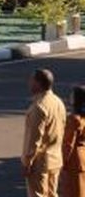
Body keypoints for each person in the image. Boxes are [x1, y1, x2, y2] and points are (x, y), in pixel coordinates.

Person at [25, 68, 67, 197]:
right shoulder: (58, 102)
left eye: (31, 80)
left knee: (38, 195)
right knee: (52, 194)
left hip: (40, 162)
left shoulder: (39, 107)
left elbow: (34, 139)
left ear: (38, 83)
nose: (29, 83)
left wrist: (27, 161)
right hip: (55, 158)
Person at [64, 85, 85, 197]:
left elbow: (68, 143)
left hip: (75, 160)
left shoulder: (74, 119)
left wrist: (62, 160)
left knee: (73, 191)